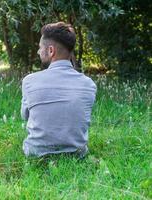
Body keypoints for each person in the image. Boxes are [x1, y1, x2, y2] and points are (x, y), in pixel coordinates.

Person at [21, 22, 97, 158]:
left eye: (40, 48)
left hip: (36, 153)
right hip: (77, 154)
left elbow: (25, 116)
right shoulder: (89, 84)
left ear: (51, 51)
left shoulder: (29, 81)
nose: (38, 52)